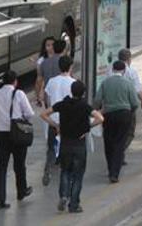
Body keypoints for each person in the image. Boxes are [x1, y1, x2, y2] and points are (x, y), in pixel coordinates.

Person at [40, 81, 103, 214]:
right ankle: (74, 204)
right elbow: (100, 118)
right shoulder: (85, 106)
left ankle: (63, 195)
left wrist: (56, 125)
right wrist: (87, 128)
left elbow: (44, 114)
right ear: (83, 93)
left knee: (65, 171)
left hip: (65, 144)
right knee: (78, 175)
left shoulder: (63, 104)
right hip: (79, 145)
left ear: (71, 91)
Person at [0, 70, 34, 209]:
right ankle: (21, 191)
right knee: (19, 164)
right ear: (15, 81)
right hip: (17, 133)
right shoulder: (19, 94)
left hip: (0, 134)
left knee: (1, 166)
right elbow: (29, 113)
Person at [94, 61, 139, 183]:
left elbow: (97, 100)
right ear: (124, 71)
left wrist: (98, 110)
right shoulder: (128, 84)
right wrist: (130, 112)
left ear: (113, 69)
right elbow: (135, 103)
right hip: (124, 115)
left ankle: (110, 169)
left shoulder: (105, 83)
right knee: (120, 143)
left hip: (109, 115)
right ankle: (115, 173)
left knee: (109, 142)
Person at [42, 55, 75, 186]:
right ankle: (65, 173)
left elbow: (47, 99)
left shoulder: (51, 81)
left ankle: (48, 167)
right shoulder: (73, 83)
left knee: (51, 147)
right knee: (67, 149)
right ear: (70, 67)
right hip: (68, 122)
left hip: (53, 120)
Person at [116, 48, 142, 159]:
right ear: (129, 59)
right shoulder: (131, 71)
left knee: (116, 131)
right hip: (127, 107)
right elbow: (138, 90)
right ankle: (119, 151)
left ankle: (117, 151)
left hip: (113, 106)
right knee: (129, 132)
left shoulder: (111, 70)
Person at [37, 39, 67, 104]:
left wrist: (39, 94)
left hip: (48, 94)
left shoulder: (44, 63)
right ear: (64, 50)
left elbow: (39, 80)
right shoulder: (65, 62)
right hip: (61, 94)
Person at [33, 36, 56, 106]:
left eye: (53, 45)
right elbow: (39, 79)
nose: (51, 47)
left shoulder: (61, 58)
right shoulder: (41, 61)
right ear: (45, 48)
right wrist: (38, 96)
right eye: (48, 45)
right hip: (48, 92)